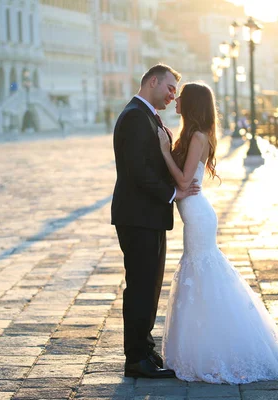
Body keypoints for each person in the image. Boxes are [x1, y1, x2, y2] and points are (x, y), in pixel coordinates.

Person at [157, 82, 278, 384]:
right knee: (201, 277)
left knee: (204, 275)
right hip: (195, 212)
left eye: (181, 95)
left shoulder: (196, 136)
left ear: (192, 103)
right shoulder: (191, 134)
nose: (176, 99)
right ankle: (206, 347)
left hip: (197, 214)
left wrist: (163, 151)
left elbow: (183, 182)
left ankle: (220, 349)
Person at [111, 64, 200, 379]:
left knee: (149, 287)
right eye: (170, 88)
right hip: (139, 216)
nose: (172, 96)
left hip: (147, 216)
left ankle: (145, 351)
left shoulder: (145, 115)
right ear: (152, 82)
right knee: (141, 287)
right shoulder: (136, 117)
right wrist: (172, 193)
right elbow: (138, 170)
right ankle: (136, 358)